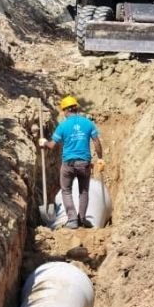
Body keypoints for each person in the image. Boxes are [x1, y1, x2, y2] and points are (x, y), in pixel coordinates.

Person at [38, 95, 104, 228]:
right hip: (84, 163)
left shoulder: (63, 126)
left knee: (66, 190)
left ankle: (72, 219)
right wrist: (100, 158)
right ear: (76, 108)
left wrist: (44, 142)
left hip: (68, 163)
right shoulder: (87, 123)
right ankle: (83, 218)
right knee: (84, 191)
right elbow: (96, 142)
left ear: (66, 110)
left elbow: (52, 145)